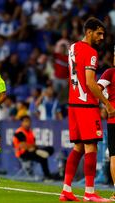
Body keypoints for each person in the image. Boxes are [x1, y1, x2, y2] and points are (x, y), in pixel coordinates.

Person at [59, 17, 115, 202]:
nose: (101, 38)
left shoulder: (72, 47)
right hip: (86, 104)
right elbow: (91, 82)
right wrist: (107, 104)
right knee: (91, 146)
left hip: (73, 103)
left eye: (103, 34)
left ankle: (66, 189)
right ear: (88, 32)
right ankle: (90, 192)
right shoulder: (91, 52)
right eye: (98, 33)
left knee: (78, 147)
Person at [97, 56, 115, 200]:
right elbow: (98, 89)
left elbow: (97, 89)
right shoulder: (110, 72)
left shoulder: (110, 72)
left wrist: (106, 102)